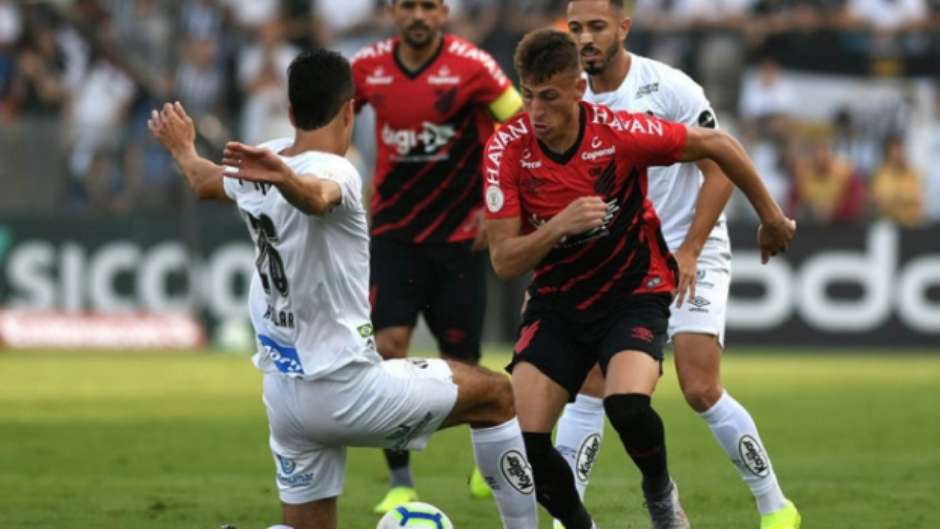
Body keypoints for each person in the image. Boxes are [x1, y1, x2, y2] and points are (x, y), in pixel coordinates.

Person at [148, 48, 537, 529]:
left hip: (285, 395)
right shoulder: (337, 169)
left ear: (291, 113)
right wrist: (289, 180)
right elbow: (317, 197)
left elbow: (204, 180)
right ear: (351, 109)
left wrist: (183, 148)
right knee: (496, 394)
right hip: (345, 387)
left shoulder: (262, 160)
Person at [483, 29, 796, 529]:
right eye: (528, 95)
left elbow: (718, 145)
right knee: (526, 442)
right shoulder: (506, 149)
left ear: (578, 91)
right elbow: (503, 261)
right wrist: (561, 225)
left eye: (549, 97)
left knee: (627, 405)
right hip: (558, 303)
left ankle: (660, 493)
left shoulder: (619, 131)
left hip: (633, 293)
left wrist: (771, 216)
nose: (535, 111)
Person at [350, 0, 524, 511]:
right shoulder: (367, 67)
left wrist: (495, 208)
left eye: (428, 6)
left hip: (459, 237)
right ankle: (400, 480)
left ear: (444, 11)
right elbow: (333, 121)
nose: (419, 16)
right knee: (387, 349)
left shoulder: (474, 66)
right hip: (395, 234)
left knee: (462, 362)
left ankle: (484, 459)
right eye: (409, 6)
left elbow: (518, 128)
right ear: (392, 12)